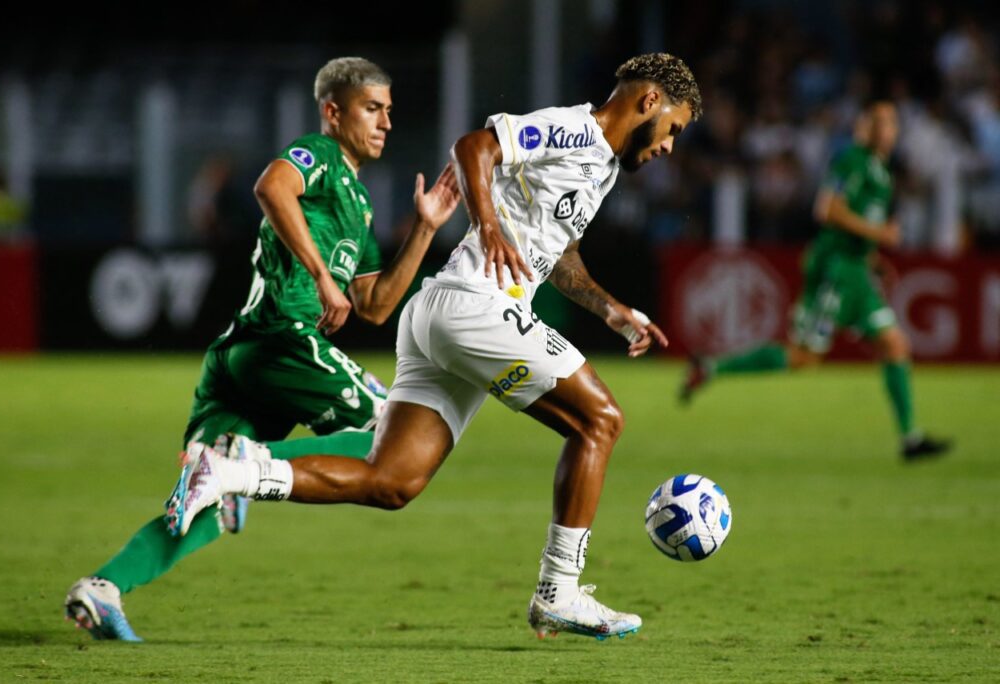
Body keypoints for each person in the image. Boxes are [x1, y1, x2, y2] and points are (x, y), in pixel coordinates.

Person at [169, 53, 702, 640]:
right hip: (475, 307)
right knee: (599, 420)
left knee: (392, 480)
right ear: (649, 101)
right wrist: (489, 226)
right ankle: (560, 590)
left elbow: (560, 254)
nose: (670, 147)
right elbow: (474, 146)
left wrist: (610, 309)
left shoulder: (599, 165)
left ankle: (231, 471)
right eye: (674, 129)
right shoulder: (575, 128)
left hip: (440, 315)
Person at [64, 57, 461, 641]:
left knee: (206, 505)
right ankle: (246, 465)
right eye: (373, 109)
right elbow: (271, 186)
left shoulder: (359, 202)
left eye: (390, 112)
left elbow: (375, 305)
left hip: (239, 356)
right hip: (282, 339)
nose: (386, 124)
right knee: (392, 435)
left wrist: (424, 230)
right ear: (333, 111)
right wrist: (322, 277)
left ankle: (103, 587)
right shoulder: (320, 157)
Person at [680, 101, 951, 461]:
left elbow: (857, 220)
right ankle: (711, 367)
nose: (888, 131)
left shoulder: (881, 172)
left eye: (892, 124)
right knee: (803, 356)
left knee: (895, 345)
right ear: (864, 128)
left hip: (857, 271)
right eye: (880, 123)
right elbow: (827, 209)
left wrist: (872, 256)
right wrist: (880, 234)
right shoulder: (850, 161)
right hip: (835, 272)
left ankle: (910, 439)